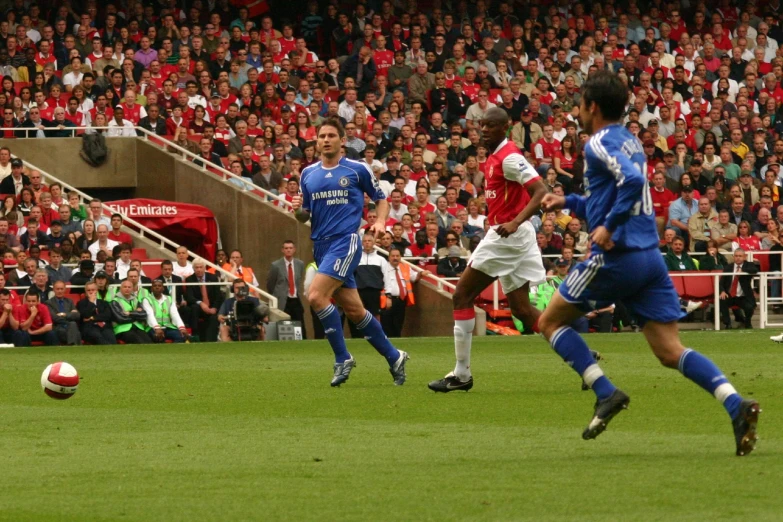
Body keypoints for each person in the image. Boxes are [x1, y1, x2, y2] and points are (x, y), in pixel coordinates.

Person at [537, 71, 758, 456]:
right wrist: (568, 203)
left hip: (615, 258)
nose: (577, 111)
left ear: (592, 106)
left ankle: (605, 392)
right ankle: (734, 403)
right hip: (650, 259)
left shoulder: (598, 142)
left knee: (549, 321)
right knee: (669, 350)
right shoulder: (631, 141)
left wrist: (609, 226)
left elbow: (630, 182)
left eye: (579, 104)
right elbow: (616, 193)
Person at [428, 107, 547, 392]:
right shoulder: (492, 159)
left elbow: (541, 191)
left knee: (462, 294)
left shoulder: (510, 157)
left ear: (505, 127)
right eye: (481, 126)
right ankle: (580, 355)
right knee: (522, 309)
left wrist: (515, 221)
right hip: (510, 234)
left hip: (508, 234)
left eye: (490, 126)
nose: (483, 131)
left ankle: (461, 374)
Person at [292, 118, 409, 387]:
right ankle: (395, 356)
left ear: (342, 140)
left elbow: (381, 199)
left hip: (346, 241)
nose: (326, 139)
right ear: (316, 141)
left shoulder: (357, 169)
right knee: (355, 311)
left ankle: (342, 357)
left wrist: (380, 221)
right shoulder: (308, 174)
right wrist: (297, 209)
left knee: (316, 295)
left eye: (332, 135)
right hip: (320, 245)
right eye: (322, 135)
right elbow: (303, 215)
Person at [266, 240, 306, 338]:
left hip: (295, 298)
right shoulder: (276, 265)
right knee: (283, 323)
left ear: (294, 250)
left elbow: (299, 280)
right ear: (282, 250)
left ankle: (303, 341)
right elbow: (270, 284)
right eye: (286, 248)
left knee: (300, 323)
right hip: (283, 299)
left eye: (290, 248)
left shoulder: (299, 264)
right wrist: (277, 295)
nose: (288, 250)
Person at [380, 247, 418, 338]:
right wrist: (388, 297)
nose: (395, 258)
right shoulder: (383, 267)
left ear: (401, 257)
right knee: (387, 324)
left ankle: (397, 342)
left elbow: (414, 277)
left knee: (398, 323)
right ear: (389, 258)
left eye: (397, 256)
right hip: (387, 300)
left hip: (401, 300)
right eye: (393, 256)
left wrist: (422, 274)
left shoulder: (405, 267)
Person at [719, 249, 759, 330]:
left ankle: (747, 322)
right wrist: (722, 291)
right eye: (736, 256)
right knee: (722, 300)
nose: (738, 258)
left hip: (743, 296)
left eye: (740, 256)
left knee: (750, 307)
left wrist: (743, 270)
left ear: (744, 257)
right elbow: (721, 282)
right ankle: (727, 324)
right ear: (733, 257)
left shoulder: (748, 265)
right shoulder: (728, 267)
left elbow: (755, 270)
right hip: (729, 295)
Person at [184, 258, 222, 342]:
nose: (199, 269)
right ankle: (195, 336)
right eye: (196, 267)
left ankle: (210, 341)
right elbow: (189, 297)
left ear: (205, 268)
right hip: (198, 308)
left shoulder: (213, 278)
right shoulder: (189, 279)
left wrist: (215, 308)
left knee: (213, 318)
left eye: (201, 267)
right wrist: (201, 303)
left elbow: (218, 296)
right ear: (193, 269)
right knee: (194, 307)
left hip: (212, 307)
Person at [142, 278, 188, 343]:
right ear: (151, 288)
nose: (157, 287)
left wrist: (181, 327)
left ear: (163, 288)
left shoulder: (169, 299)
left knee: (180, 336)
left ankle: (174, 352)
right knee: (158, 338)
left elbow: (175, 314)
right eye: (155, 286)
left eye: (159, 286)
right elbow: (150, 315)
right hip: (153, 328)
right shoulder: (146, 300)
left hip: (168, 327)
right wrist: (157, 328)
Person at [110, 280, 153, 344]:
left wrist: (130, 313)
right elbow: (121, 319)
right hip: (122, 329)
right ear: (120, 288)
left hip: (138, 327)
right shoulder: (114, 301)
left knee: (148, 342)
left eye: (129, 287)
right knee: (139, 341)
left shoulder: (135, 300)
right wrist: (136, 314)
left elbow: (144, 315)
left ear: (132, 289)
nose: (127, 289)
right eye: (125, 287)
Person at [45, 280, 82, 345]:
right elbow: (54, 318)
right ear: (53, 289)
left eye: (61, 289)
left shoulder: (69, 301)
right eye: (57, 289)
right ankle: (74, 347)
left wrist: (64, 314)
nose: (60, 291)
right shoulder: (48, 303)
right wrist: (70, 315)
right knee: (73, 325)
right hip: (57, 328)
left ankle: (72, 345)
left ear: (65, 289)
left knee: (73, 325)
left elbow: (77, 315)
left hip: (70, 327)